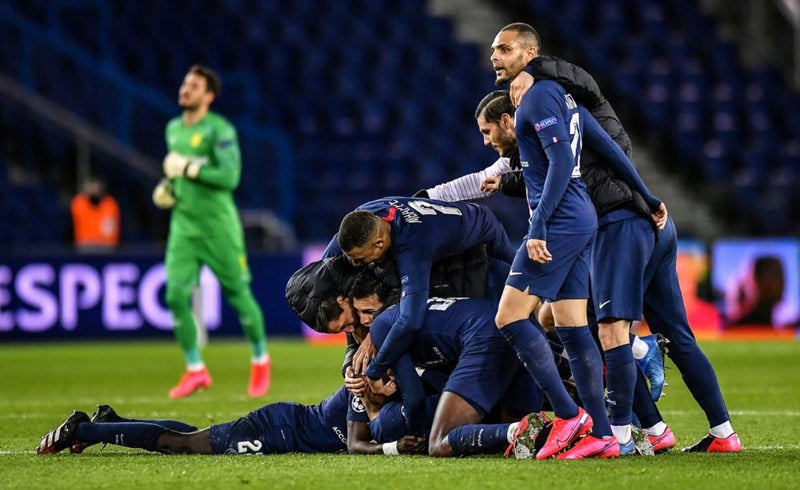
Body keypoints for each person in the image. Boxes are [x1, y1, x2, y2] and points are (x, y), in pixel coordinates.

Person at [509, 39, 741, 452]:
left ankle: (618, 436)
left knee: (606, 330)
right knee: (673, 336)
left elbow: (575, 160)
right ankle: (715, 433)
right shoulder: (577, 116)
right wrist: (650, 198)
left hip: (621, 224)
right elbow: (608, 158)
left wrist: (535, 68)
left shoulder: (579, 102)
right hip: (645, 222)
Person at [152, 64, 270, 398]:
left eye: (194, 85)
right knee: (175, 295)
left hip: (219, 227)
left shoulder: (220, 130)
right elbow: (179, 177)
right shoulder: (173, 129)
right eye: (185, 82)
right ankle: (195, 369)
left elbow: (229, 178)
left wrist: (187, 168)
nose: (185, 88)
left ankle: (260, 359)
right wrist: (169, 187)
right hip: (184, 227)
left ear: (209, 96)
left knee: (238, 294)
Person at [321, 196, 514, 384]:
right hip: (454, 234)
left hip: (485, 232)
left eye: (360, 258)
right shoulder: (368, 215)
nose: (355, 264)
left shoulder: (413, 247)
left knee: (521, 298)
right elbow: (328, 263)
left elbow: (410, 320)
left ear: (379, 244)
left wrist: (374, 370)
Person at [35, 386, 428, 456]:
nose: (391, 383)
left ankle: (113, 420)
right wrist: (394, 447)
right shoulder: (360, 385)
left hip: (282, 421)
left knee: (192, 435)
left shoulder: (373, 390)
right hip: (276, 432)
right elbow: (355, 446)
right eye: (387, 377)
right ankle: (83, 428)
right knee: (183, 445)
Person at [70, 177, 120, 252]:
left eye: (96, 187)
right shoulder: (79, 203)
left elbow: (112, 229)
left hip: (106, 246)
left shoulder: (110, 204)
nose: (94, 190)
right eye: (91, 187)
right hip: (84, 246)